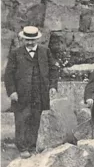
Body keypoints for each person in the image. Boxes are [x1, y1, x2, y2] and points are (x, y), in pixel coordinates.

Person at [4, 26, 59, 159]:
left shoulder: (45, 51)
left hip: (39, 94)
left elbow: (53, 69)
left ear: (37, 39)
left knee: (35, 120)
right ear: (23, 39)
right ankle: (22, 147)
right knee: (22, 120)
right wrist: (12, 91)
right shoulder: (15, 53)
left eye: (32, 40)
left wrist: (52, 86)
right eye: (27, 40)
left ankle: (32, 146)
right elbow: (8, 74)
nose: (30, 43)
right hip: (21, 94)